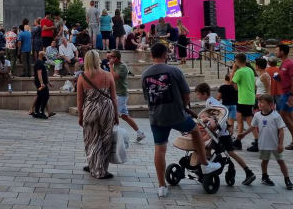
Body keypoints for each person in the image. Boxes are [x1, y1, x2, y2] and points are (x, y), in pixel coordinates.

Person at [141, 43, 221, 197]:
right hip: (176, 114)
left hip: (156, 117)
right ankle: (204, 164)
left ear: (151, 55)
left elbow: (147, 97)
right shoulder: (174, 71)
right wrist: (183, 107)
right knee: (196, 130)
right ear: (165, 55)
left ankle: (161, 186)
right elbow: (186, 94)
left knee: (159, 148)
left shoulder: (145, 74)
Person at [194, 83, 257, 185]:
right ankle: (206, 167)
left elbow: (219, 114)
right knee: (209, 148)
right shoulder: (212, 101)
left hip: (221, 134)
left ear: (204, 93)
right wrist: (227, 125)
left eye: (198, 94)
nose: (197, 96)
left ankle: (248, 172)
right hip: (221, 133)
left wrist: (210, 119)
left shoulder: (210, 102)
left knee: (229, 153)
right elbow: (223, 112)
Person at [77, 50, 119, 179]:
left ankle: (94, 167)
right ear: (98, 60)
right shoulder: (107, 75)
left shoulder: (82, 77)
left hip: (90, 110)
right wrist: (116, 114)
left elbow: (80, 99)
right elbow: (113, 97)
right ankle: (102, 169)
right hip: (107, 108)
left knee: (92, 140)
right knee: (106, 139)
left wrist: (80, 115)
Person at [237, 95, 293, 190]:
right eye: (258, 102)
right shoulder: (257, 115)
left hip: (275, 144)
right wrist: (244, 134)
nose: (259, 104)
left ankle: (287, 179)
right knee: (264, 161)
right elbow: (252, 126)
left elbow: (281, 130)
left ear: (270, 104)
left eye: (262, 102)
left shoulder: (276, 116)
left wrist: (280, 144)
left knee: (281, 161)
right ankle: (264, 176)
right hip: (263, 143)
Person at [109, 50, 145, 142]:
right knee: (123, 116)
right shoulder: (115, 65)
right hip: (117, 93)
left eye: (112, 56)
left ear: (117, 57)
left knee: (116, 115)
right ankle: (140, 133)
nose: (110, 58)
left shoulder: (122, 67)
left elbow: (114, 77)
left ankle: (114, 135)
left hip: (121, 95)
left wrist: (110, 66)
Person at [231, 53, 259, 152]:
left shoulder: (240, 71)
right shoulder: (249, 69)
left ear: (237, 60)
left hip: (244, 99)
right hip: (248, 98)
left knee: (249, 120)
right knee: (239, 119)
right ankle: (238, 141)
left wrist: (234, 70)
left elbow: (231, 82)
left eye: (235, 60)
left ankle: (257, 141)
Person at [275, 44, 293, 150]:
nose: (276, 52)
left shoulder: (290, 63)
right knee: (289, 117)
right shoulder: (282, 64)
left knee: (284, 116)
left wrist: (291, 95)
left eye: (277, 50)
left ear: (282, 52)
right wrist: (277, 78)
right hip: (284, 92)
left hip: (288, 94)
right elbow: (283, 78)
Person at [32, 51, 50, 119]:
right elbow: (39, 73)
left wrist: (48, 82)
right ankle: (41, 111)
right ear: (41, 55)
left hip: (42, 82)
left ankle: (36, 112)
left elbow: (44, 73)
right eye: (45, 55)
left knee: (40, 96)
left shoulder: (40, 62)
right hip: (40, 83)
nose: (45, 56)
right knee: (45, 96)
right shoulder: (39, 62)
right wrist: (41, 83)